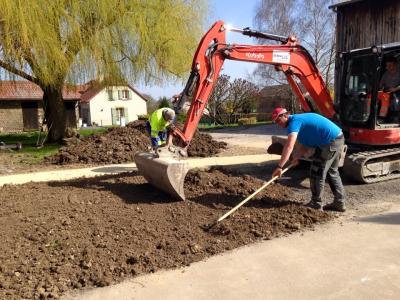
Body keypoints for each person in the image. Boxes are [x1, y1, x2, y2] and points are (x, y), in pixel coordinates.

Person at [271, 107, 346, 212]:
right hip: (336, 139)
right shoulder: (299, 124)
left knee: (316, 172)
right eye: (276, 122)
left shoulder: (294, 122)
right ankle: (339, 203)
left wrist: (279, 167)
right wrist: (296, 158)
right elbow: (304, 146)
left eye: (278, 120)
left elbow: (289, 146)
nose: (278, 123)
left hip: (330, 142)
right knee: (332, 172)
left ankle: (316, 204)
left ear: (285, 115)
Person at [379, 56, 400, 122]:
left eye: (390, 65)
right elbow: (380, 85)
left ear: (395, 65)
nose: (387, 67)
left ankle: (396, 118)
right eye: (387, 65)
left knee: (395, 99)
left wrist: (395, 89)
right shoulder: (385, 74)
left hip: (397, 92)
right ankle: (381, 118)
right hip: (387, 93)